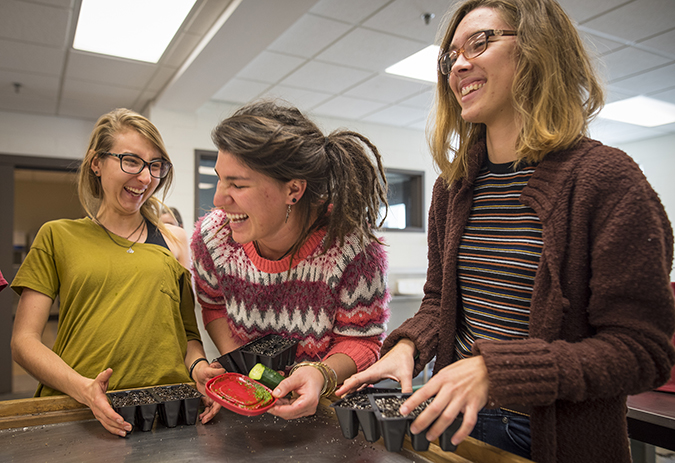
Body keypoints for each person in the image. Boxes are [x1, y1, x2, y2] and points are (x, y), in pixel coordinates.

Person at [337, 1, 675, 462]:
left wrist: (499, 372)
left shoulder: (607, 179)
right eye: (450, 55)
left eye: (480, 42)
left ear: (539, 49)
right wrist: (409, 346)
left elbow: (643, 350)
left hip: (558, 440)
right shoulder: (453, 187)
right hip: (459, 421)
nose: (458, 63)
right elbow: (440, 301)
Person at [11, 108, 223, 437]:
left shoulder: (172, 241)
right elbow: (23, 342)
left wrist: (198, 367)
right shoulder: (57, 236)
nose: (145, 177)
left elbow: (187, 335)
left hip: (167, 415)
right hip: (81, 414)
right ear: (96, 162)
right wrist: (83, 388)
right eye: (131, 160)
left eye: (155, 165)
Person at [191, 100, 390, 420]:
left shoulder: (353, 249)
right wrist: (241, 373)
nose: (218, 199)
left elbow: (362, 341)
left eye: (237, 184)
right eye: (220, 178)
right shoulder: (213, 239)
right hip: (252, 408)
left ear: (293, 190)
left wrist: (320, 374)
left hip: (329, 409)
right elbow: (213, 304)